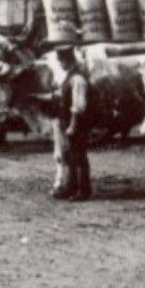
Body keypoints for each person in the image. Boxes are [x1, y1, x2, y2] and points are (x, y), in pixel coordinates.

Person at [50, 43, 92, 202]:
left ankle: (83, 190)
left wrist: (73, 125)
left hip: (78, 123)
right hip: (68, 121)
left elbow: (78, 106)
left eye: (62, 61)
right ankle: (71, 187)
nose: (61, 64)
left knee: (79, 156)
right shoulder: (69, 76)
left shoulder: (77, 78)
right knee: (71, 155)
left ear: (69, 60)